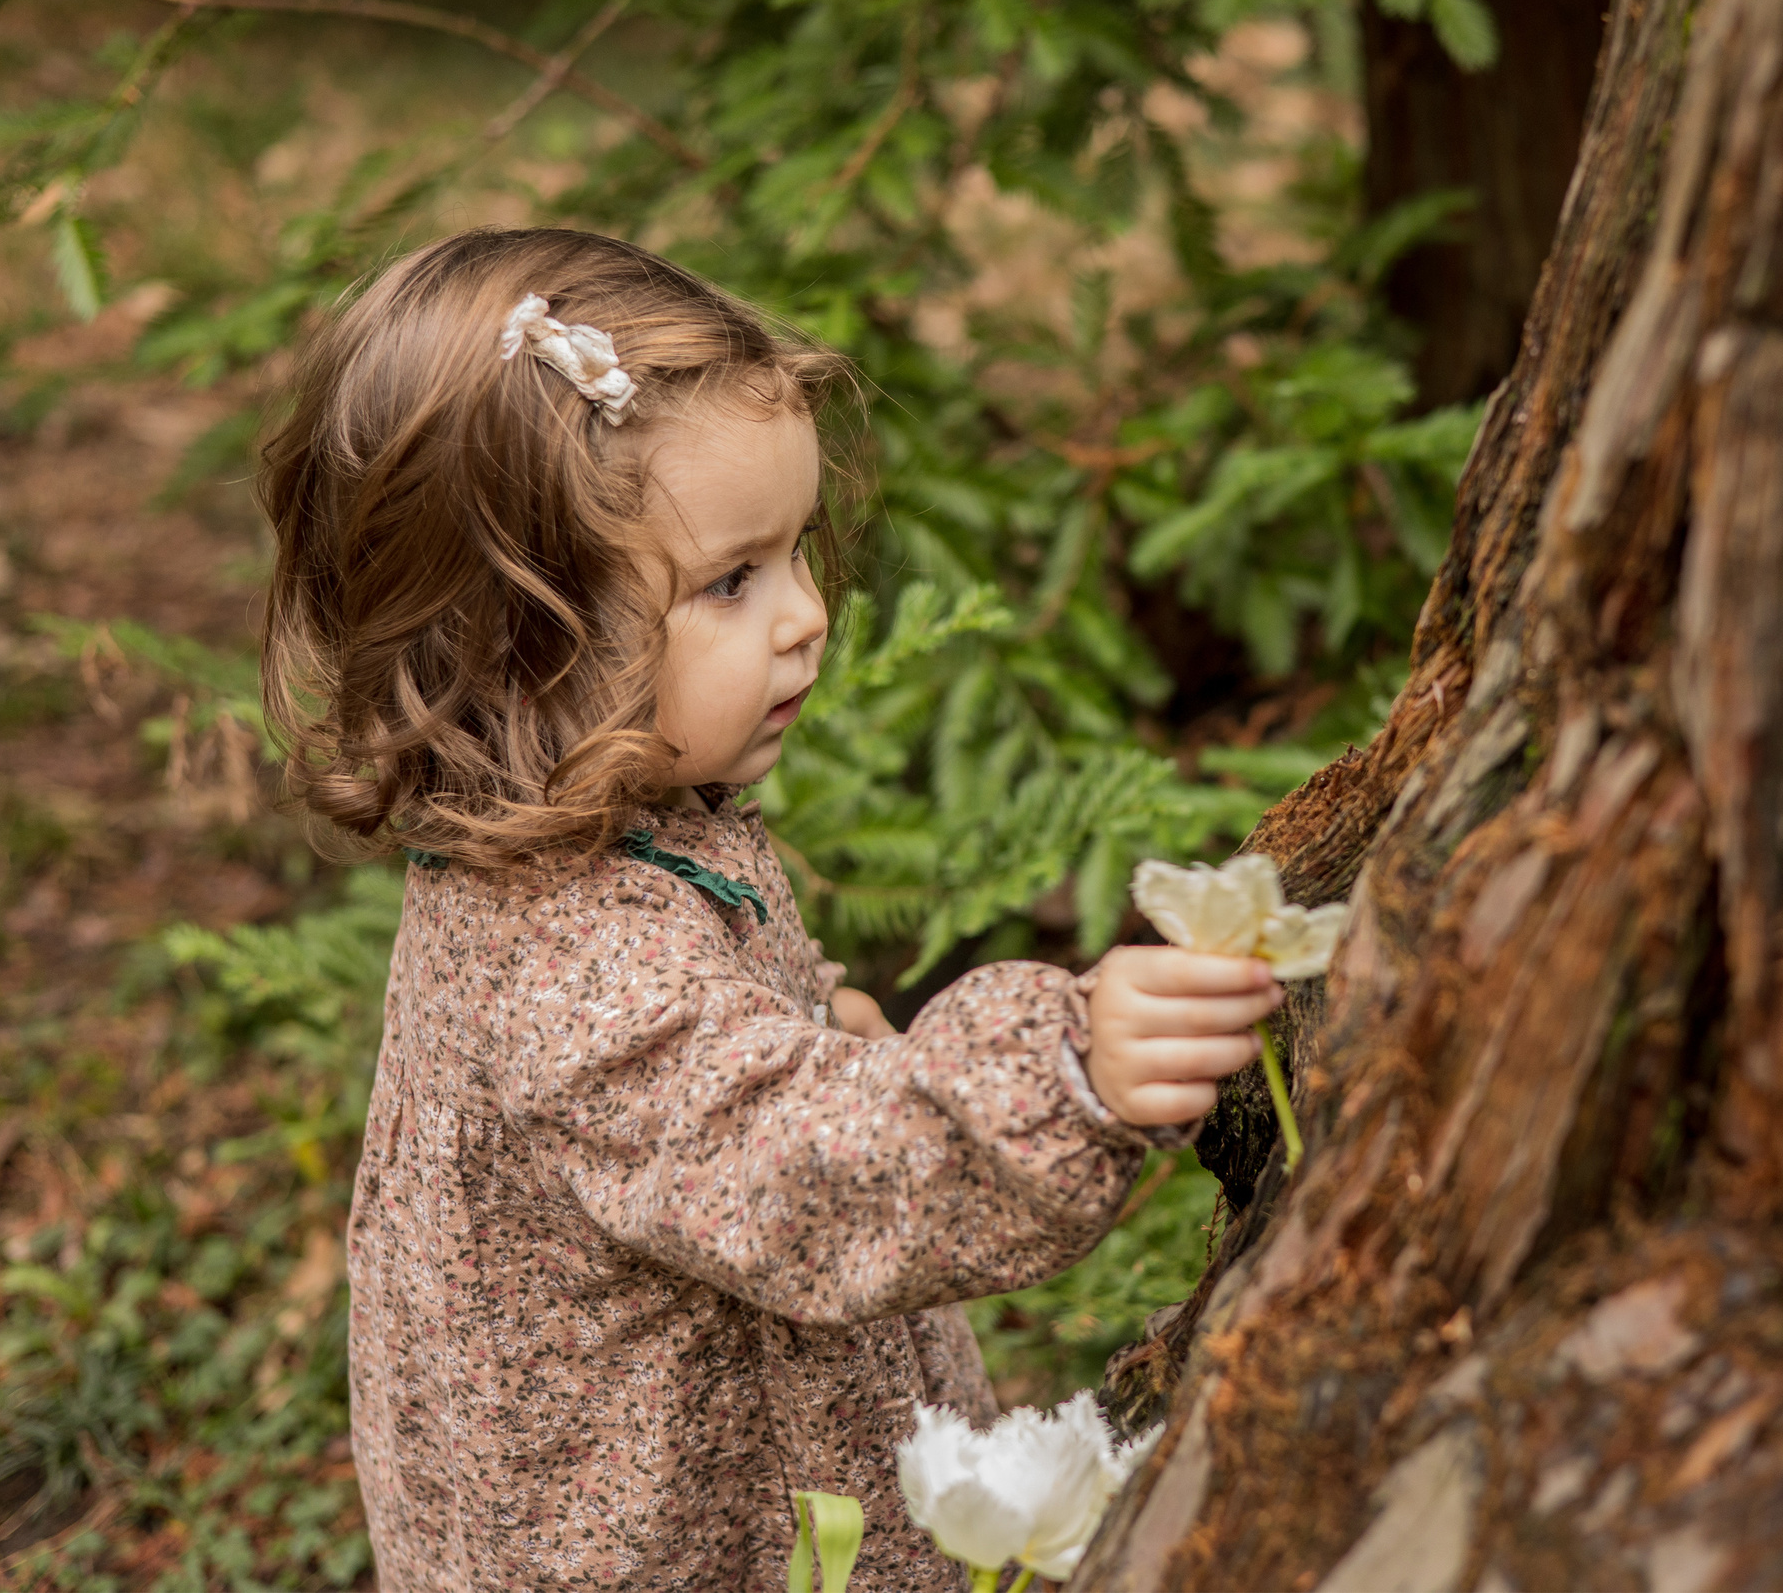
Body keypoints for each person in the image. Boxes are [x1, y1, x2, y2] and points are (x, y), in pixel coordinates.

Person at [256, 228, 1278, 1591]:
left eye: (799, 554)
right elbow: (805, 1179)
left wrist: (805, 1026)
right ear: (517, 646)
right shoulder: (578, 978)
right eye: (730, 582)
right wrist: (1062, 1076)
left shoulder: (585, 852)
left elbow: (703, 1104)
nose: (804, 616)